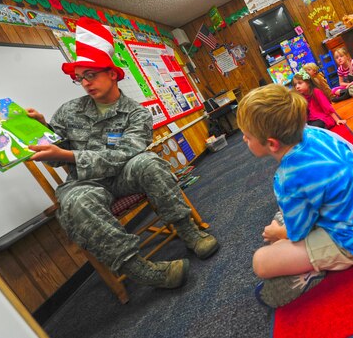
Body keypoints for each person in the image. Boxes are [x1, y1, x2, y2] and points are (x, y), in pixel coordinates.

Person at [26, 17, 219, 289]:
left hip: (122, 175)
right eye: (80, 78)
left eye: (90, 75)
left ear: (113, 74)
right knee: (74, 202)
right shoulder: (68, 111)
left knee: (149, 162)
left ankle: (189, 233)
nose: (85, 83)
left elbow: (125, 154)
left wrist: (70, 156)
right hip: (85, 182)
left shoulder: (137, 113)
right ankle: (146, 272)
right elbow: (57, 156)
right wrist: (41, 128)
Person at [238, 84, 353, 308]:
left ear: (271, 143)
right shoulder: (314, 132)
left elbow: (297, 234)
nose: (243, 139)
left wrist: (278, 233)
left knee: (261, 261)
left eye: (247, 136)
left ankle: (313, 271)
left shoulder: (288, 177)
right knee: (286, 214)